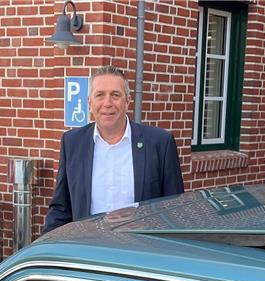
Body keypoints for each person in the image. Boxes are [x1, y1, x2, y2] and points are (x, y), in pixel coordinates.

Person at [42, 66, 184, 234]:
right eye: (100, 95)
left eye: (115, 95)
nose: (107, 103)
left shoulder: (160, 143)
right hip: (88, 248)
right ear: (90, 102)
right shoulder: (72, 143)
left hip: (142, 250)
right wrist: (45, 248)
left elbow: (174, 210)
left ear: (128, 100)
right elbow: (61, 208)